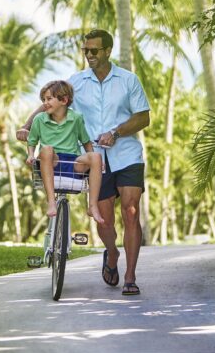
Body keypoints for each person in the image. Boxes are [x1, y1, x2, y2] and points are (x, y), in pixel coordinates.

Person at [18, 30, 150, 296]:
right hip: (94, 160)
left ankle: (130, 277)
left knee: (131, 210)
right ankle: (111, 254)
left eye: (94, 51)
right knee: (105, 222)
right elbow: (50, 104)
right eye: (85, 51)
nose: (88, 55)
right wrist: (27, 125)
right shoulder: (76, 82)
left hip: (126, 155)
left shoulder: (128, 80)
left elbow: (143, 117)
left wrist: (116, 132)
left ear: (108, 51)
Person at [26, 80, 105, 226]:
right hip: (51, 162)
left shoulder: (76, 118)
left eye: (49, 99)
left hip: (72, 163)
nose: (45, 102)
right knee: (47, 149)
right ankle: (51, 201)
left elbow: (86, 143)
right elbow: (32, 142)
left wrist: (97, 162)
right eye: (44, 99)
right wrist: (31, 154)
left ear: (64, 100)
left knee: (96, 156)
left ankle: (93, 206)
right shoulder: (39, 119)